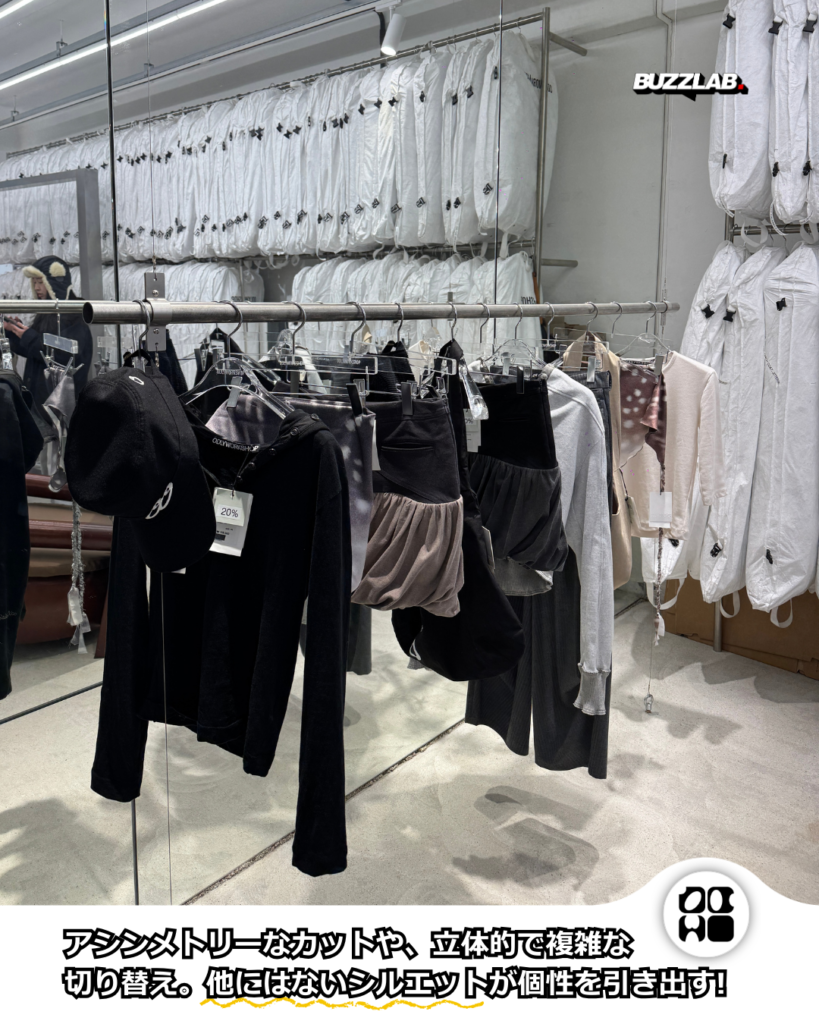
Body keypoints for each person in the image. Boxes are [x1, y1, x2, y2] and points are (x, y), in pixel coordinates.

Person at [2, 256, 93, 426]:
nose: (36, 287)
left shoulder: (73, 317)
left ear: (55, 283)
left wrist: (29, 336)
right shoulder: (48, 313)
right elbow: (36, 352)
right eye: (34, 282)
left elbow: (64, 356)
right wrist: (13, 332)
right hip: (41, 406)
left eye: (40, 282)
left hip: (59, 410)